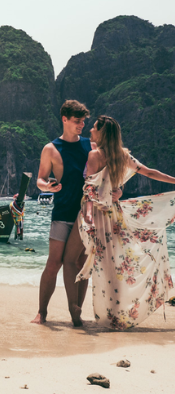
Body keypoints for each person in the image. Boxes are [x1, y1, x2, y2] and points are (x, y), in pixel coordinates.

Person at [63, 115, 175, 329]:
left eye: (95, 127)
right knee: (111, 267)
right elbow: (150, 172)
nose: (91, 130)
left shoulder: (95, 155)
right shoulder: (123, 156)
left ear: (103, 132)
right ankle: (116, 316)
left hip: (93, 214)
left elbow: (90, 189)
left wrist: (87, 214)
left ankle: (74, 307)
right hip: (113, 217)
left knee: (70, 259)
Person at [32, 100, 93, 324]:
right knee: (54, 263)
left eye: (84, 121)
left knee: (82, 264)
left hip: (86, 217)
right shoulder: (51, 149)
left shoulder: (90, 145)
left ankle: (77, 311)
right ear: (64, 119)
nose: (82, 125)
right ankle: (42, 312)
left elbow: (105, 174)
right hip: (63, 214)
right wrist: (47, 187)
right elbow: (39, 179)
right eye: (77, 121)